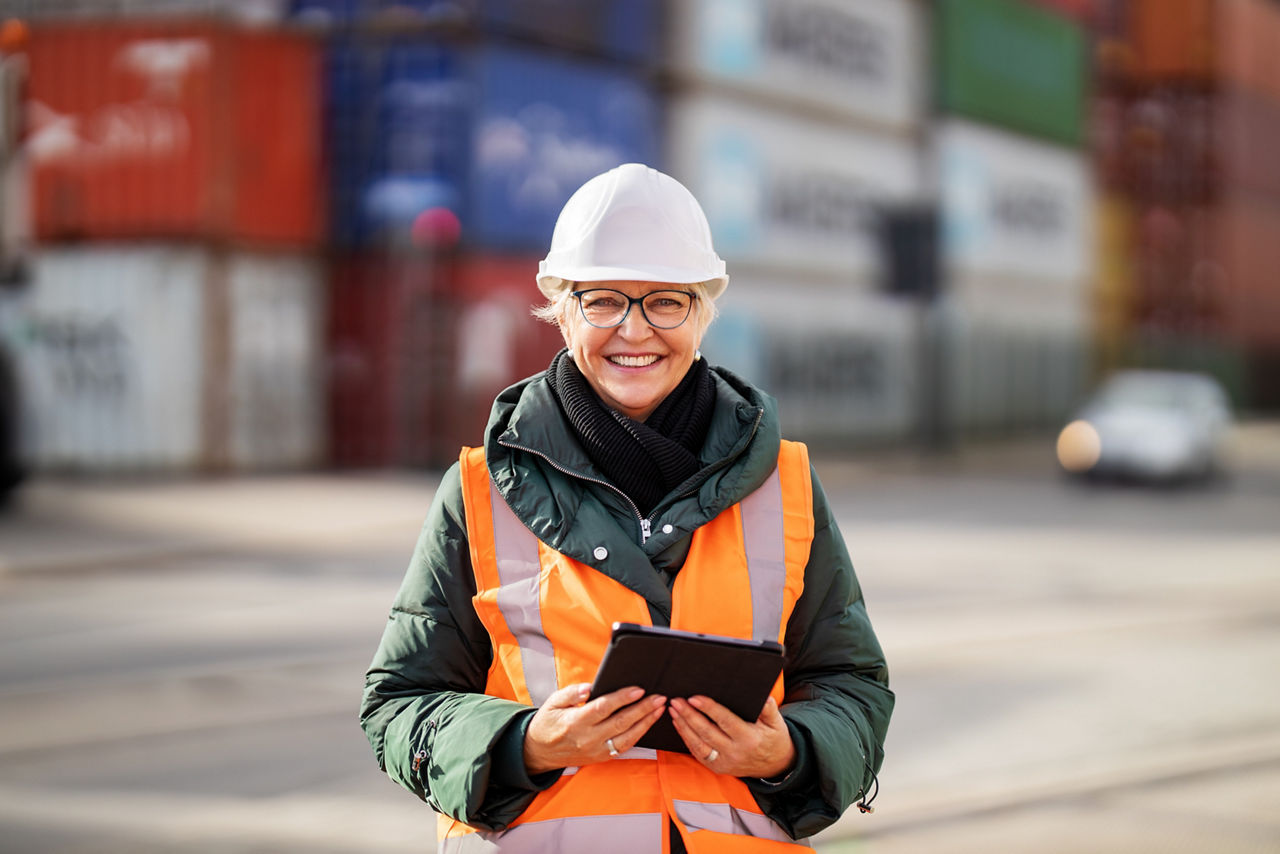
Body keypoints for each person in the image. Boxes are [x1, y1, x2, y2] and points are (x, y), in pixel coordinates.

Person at [360, 163, 893, 853]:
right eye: (603, 300)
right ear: (560, 308)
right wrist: (523, 743)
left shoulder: (785, 483)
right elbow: (400, 704)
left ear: (703, 311)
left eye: (666, 301)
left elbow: (852, 685)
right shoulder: (477, 492)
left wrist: (789, 752)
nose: (634, 331)